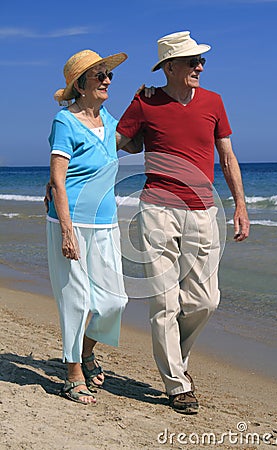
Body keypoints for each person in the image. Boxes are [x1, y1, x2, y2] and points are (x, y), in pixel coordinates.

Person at [116, 31, 250, 414]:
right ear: (170, 67)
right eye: (192, 62)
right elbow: (117, 144)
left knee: (206, 300)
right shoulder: (145, 101)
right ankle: (176, 384)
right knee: (163, 301)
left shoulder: (214, 102)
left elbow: (227, 157)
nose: (200, 67)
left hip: (204, 211)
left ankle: (178, 358)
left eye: (201, 61)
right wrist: (65, 170)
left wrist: (240, 206)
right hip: (158, 209)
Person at [46, 49, 140, 405]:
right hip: (68, 222)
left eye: (108, 75)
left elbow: (135, 143)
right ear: (80, 84)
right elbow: (58, 178)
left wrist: (141, 103)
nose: (106, 80)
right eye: (98, 75)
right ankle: (72, 373)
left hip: (105, 223)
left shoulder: (110, 121)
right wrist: (67, 230)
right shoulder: (65, 121)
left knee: (115, 300)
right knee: (75, 299)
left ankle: (85, 351)